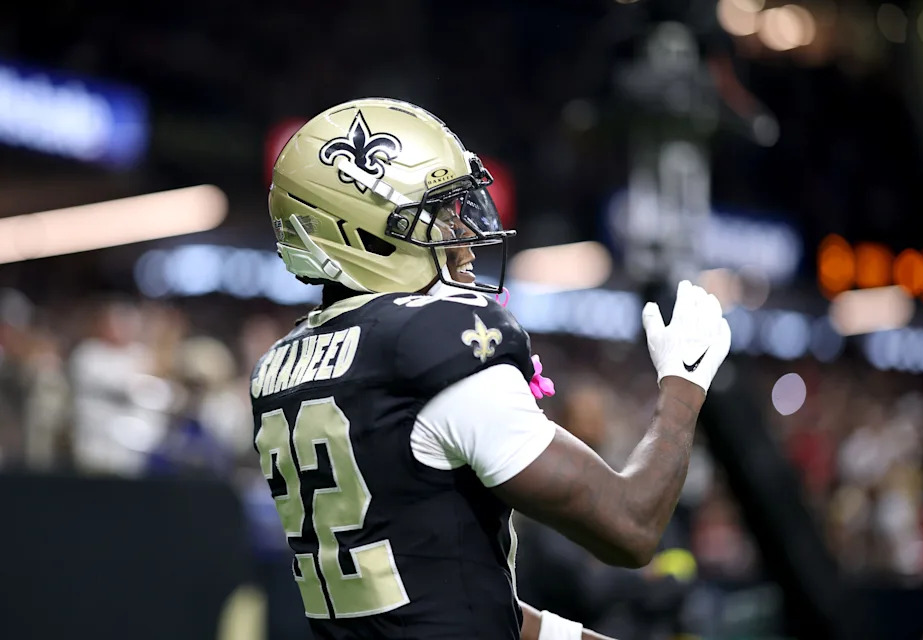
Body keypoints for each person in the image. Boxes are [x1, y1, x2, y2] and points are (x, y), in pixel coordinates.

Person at [250, 98, 731, 640]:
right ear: (365, 230)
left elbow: (429, 590)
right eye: (437, 215)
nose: (465, 238)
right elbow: (631, 527)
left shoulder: (280, 368)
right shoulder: (427, 342)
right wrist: (684, 386)